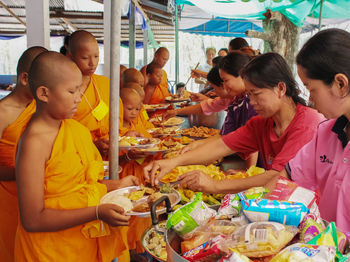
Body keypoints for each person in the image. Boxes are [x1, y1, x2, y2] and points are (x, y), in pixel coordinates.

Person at [15, 51, 138, 261]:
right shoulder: (34, 143)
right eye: (72, 91)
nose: (79, 99)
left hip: (81, 243)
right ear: (44, 93)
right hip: (49, 250)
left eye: (79, 90)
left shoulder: (73, 129)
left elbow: (80, 187)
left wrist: (117, 186)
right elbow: (33, 219)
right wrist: (96, 213)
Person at [144, 52, 324, 194]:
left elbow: (277, 176)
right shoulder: (261, 123)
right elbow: (223, 145)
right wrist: (174, 162)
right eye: (249, 95)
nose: (251, 102)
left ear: (280, 88)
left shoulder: (308, 122)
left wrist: (215, 185)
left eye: (256, 94)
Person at [272, 28, 350, 237]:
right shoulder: (326, 133)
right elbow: (287, 176)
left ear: (340, 84)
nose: (311, 99)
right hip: (322, 250)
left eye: (311, 88)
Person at [0, 46, 47, 262]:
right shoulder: (3, 112)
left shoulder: (42, 110)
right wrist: (26, 173)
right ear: (26, 78)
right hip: (9, 198)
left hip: (44, 196)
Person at [67, 30, 110, 159]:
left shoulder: (105, 84)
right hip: (77, 155)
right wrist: (91, 144)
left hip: (108, 153)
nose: (92, 63)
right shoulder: (63, 89)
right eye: (85, 58)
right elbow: (60, 133)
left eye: (96, 56)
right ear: (70, 57)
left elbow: (116, 124)